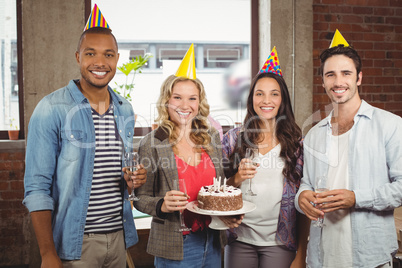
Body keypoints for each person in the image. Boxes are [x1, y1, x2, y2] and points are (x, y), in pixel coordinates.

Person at [23, 6, 146, 267]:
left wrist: (133, 180)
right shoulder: (51, 108)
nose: (100, 62)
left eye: (108, 55)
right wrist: (47, 254)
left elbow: (115, 173)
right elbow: (37, 188)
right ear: (78, 56)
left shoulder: (125, 109)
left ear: (117, 59)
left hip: (120, 238)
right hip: (75, 245)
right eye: (91, 53)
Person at [295, 29, 402, 268]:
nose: (338, 81)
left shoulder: (390, 126)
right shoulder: (313, 135)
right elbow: (307, 183)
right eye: (330, 75)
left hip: (369, 258)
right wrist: (301, 197)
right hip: (322, 257)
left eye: (346, 73)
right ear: (323, 81)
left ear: (359, 78)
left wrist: (356, 198)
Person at [134, 44, 242, 267]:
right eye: (177, 98)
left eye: (192, 98)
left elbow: (217, 191)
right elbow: (139, 198)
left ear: (199, 103)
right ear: (167, 101)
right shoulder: (152, 143)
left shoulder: (211, 138)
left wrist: (227, 214)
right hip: (175, 245)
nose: (185, 105)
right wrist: (162, 204)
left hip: (212, 240)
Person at [222, 47, 309, 268]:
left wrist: (301, 254)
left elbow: (304, 200)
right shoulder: (233, 139)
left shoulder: (296, 145)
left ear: (282, 100)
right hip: (239, 238)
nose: (266, 100)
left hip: (279, 242)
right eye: (259, 93)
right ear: (251, 98)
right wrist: (237, 179)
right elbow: (215, 190)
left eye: (274, 93)